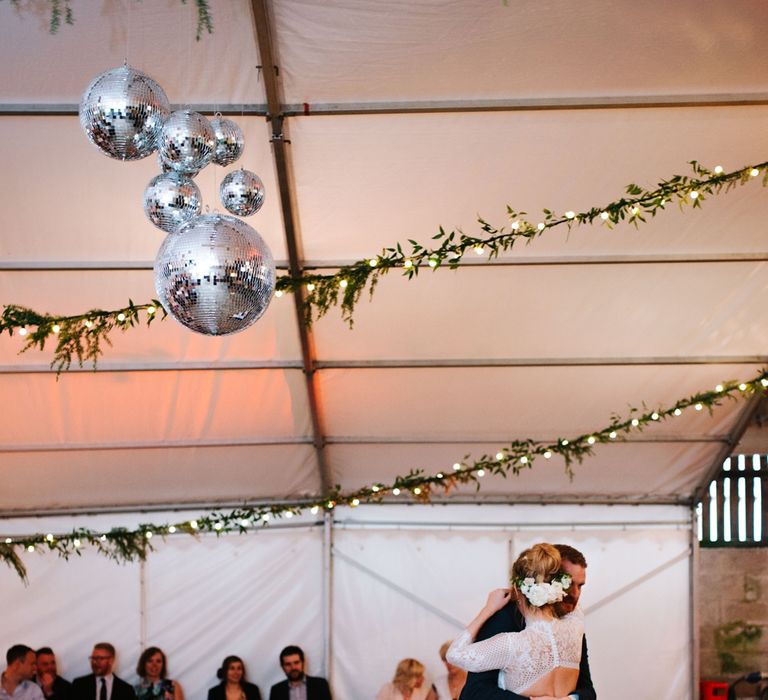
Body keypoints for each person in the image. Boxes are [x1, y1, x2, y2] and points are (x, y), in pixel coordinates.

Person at [451, 543, 596, 700]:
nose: (574, 594)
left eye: (580, 586)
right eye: (567, 583)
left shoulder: (573, 623)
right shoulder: (504, 619)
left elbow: (587, 690)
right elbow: (476, 691)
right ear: (550, 578)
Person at [71, 643, 136, 700]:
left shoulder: (126, 690)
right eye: (93, 658)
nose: (95, 662)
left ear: (111, 660)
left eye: (100, 658)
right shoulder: (79, 685)